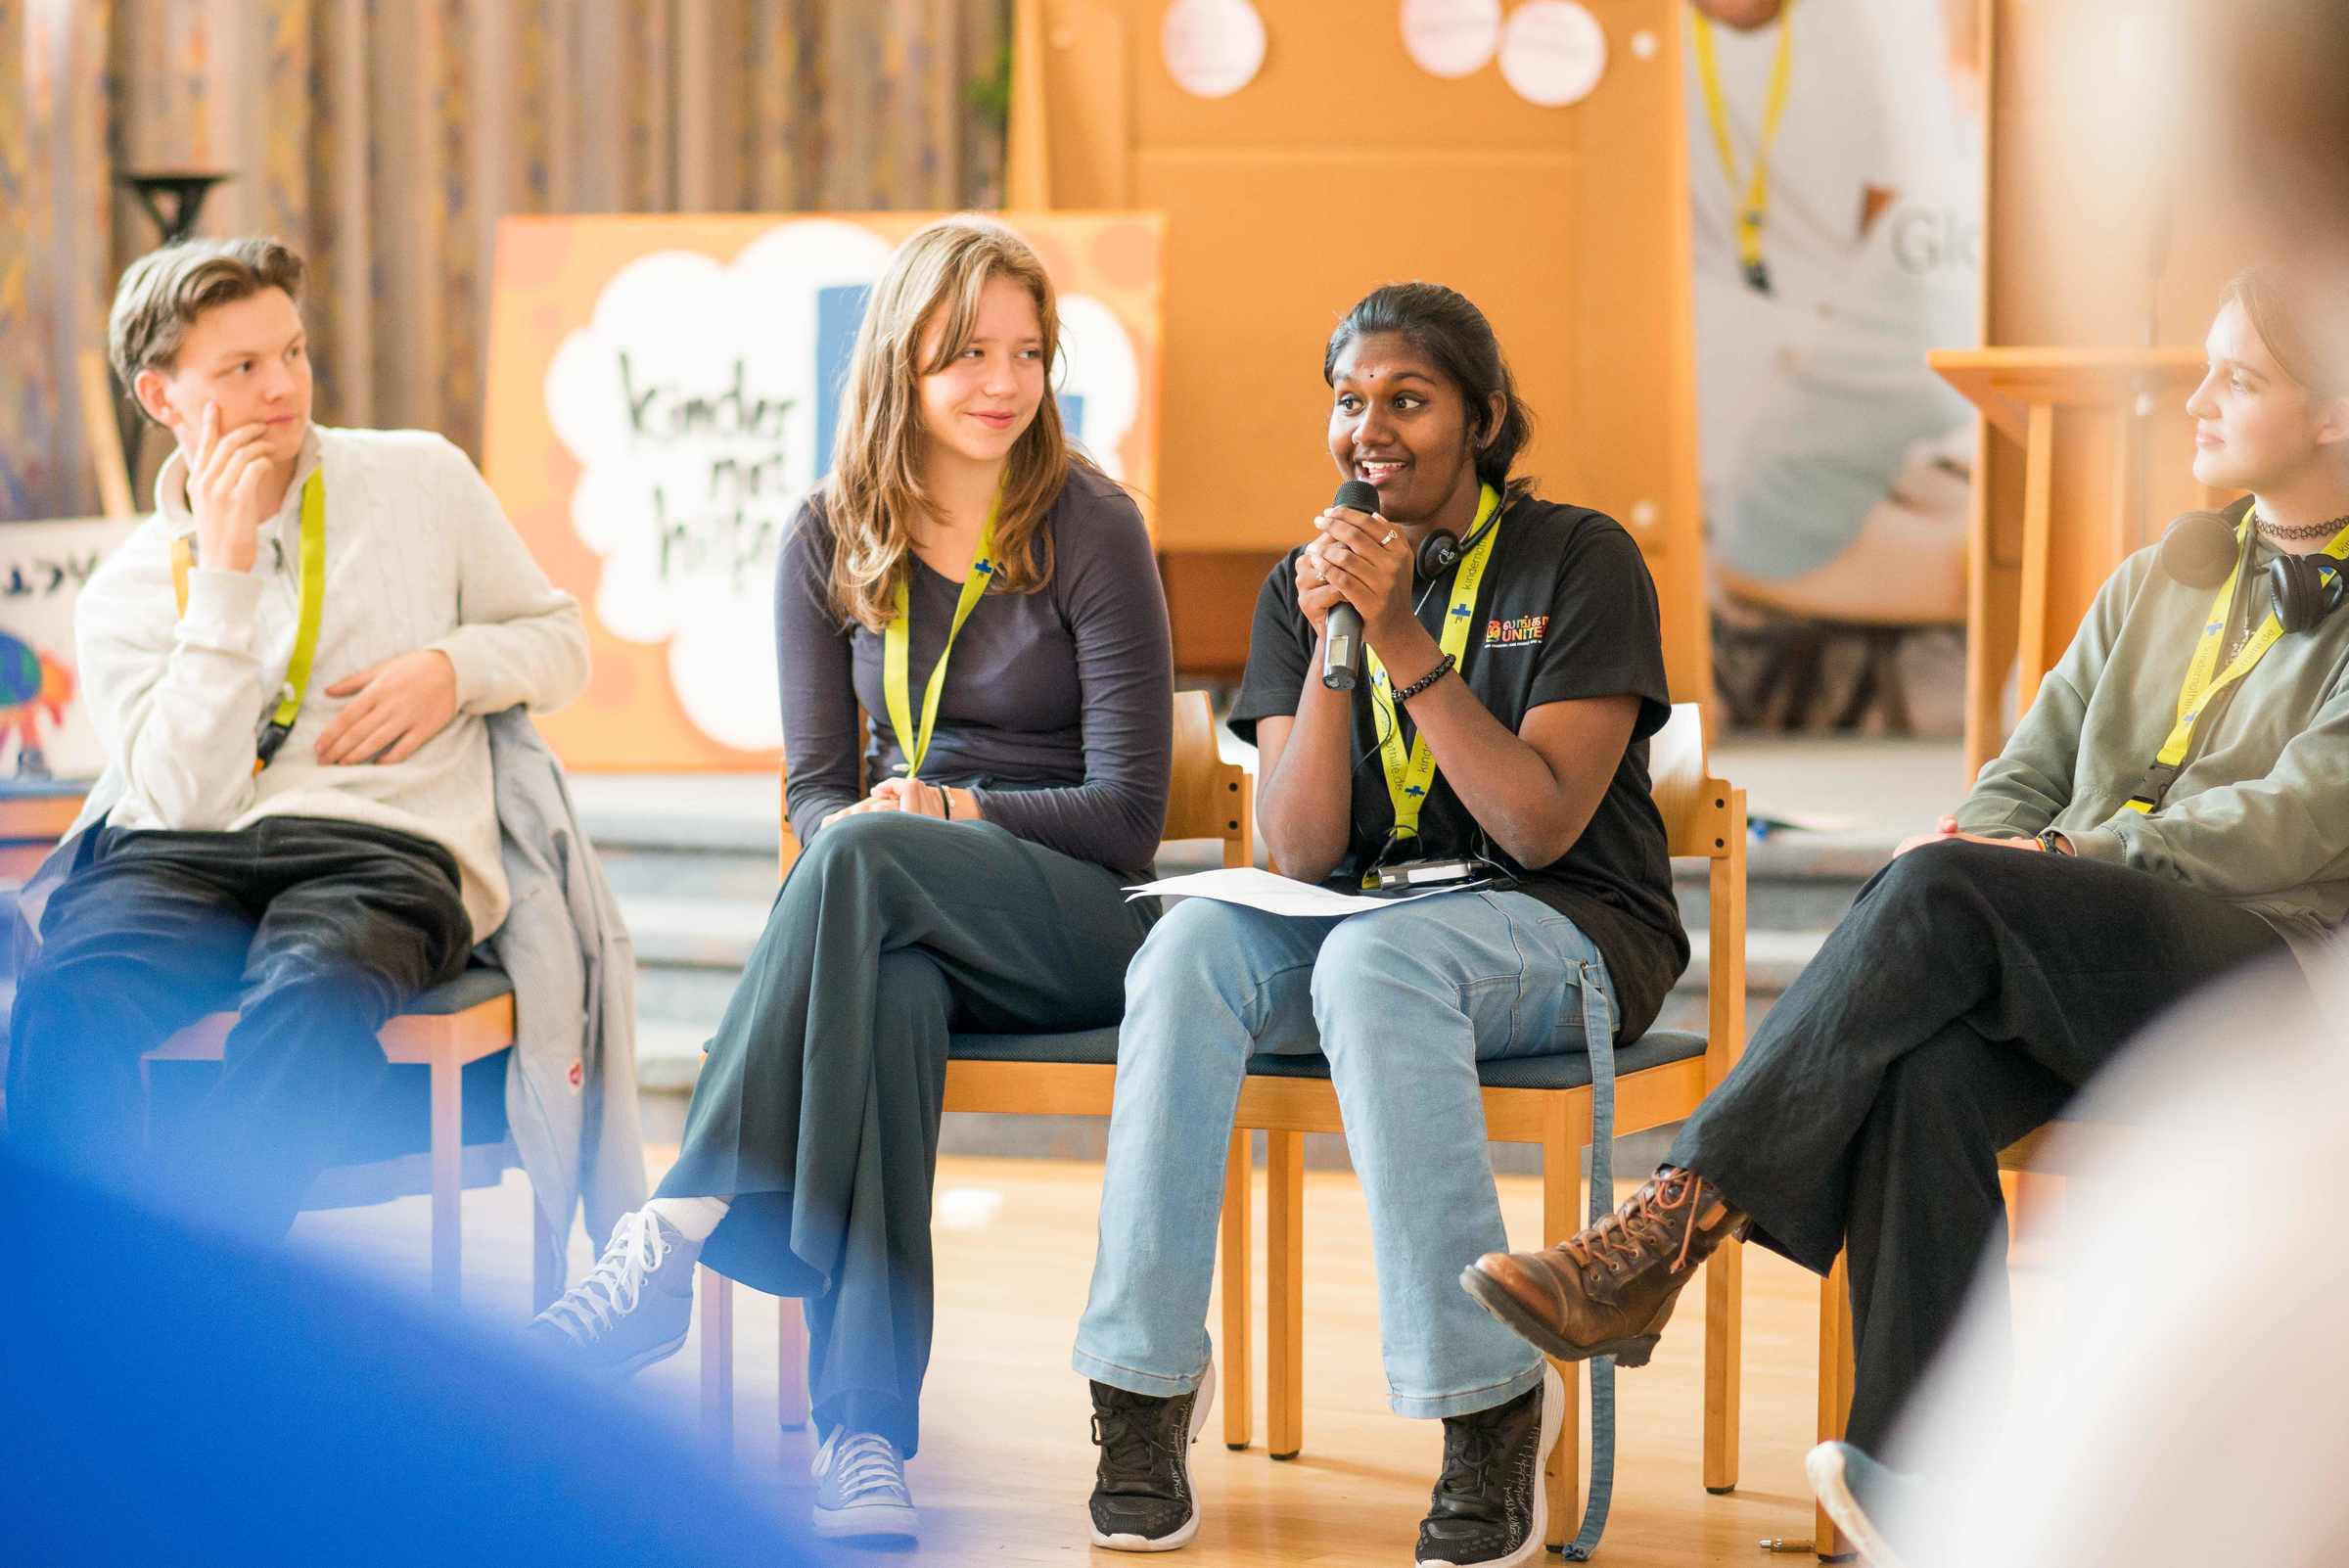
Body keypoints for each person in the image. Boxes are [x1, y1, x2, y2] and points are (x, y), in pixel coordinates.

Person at [1466, 266, 2349, 1466]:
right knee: (1922, 1065)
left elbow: (2298, 817)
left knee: (1942, 892)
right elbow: (2021, 773)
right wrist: (1988, 842)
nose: (2193, 398)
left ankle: (1659, 1238)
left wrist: (2057, 855)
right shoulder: (2157, 578)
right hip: (2080, 949)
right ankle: (1930, 1479)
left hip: (2264, 988)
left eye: (2236, 378)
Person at [527, 216, 1174, 1544]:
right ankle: (861, 1438)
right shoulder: (827, 533)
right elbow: (815, 791)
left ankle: (682, 1213)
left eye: (1027, 353)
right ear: (900, 359)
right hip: (895, 917)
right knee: (875, 974)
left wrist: (949, 807)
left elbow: (1129, 817)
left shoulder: (1095, 525)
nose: (1003, 382)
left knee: (869, 852)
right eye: (966, 353)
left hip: (1073, 913)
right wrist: (887, 821)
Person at [1071, 283, 1688, 1568]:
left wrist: (1404, 627)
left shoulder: (1579, 559)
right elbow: (1296, 849)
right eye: (1349, 402)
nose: (1371, 430)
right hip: (1375, 933)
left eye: (1407, 399)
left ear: (1486, 418)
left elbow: (1535, 824)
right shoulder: (1304, 588)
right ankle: (1139, 1388)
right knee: (1187, 947)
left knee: (1375, 959)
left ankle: (1488, 1399)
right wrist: (1341, 635)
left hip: (1565, 927)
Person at [4, 237, 589, 1238]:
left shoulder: (419, 481)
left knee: (314, 994)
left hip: (380, 850)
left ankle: (199, 1298)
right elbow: (183, 798)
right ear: (160, 397)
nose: (284, 388)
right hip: (182, 857)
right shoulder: (126, 595)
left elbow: (559, 642)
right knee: (68, 992)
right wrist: (224, 581)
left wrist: (452, 670)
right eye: (241, 368)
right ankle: (62, 1310)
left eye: (294, 352)